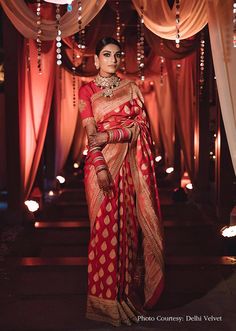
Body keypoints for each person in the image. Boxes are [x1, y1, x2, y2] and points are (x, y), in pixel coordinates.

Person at [79, 37, 164, 327]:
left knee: (126, 232)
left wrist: (112, 136)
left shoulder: (131, 89)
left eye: (116, 55)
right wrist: (101, 168)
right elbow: (91, 135)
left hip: (127, 168)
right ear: (96, 58)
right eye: (106, 54)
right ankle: (103, 303)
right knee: (103, 233)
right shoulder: (87, 90)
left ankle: (124, 298)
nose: (112, 60)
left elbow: (141, 129)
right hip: (100, 169)